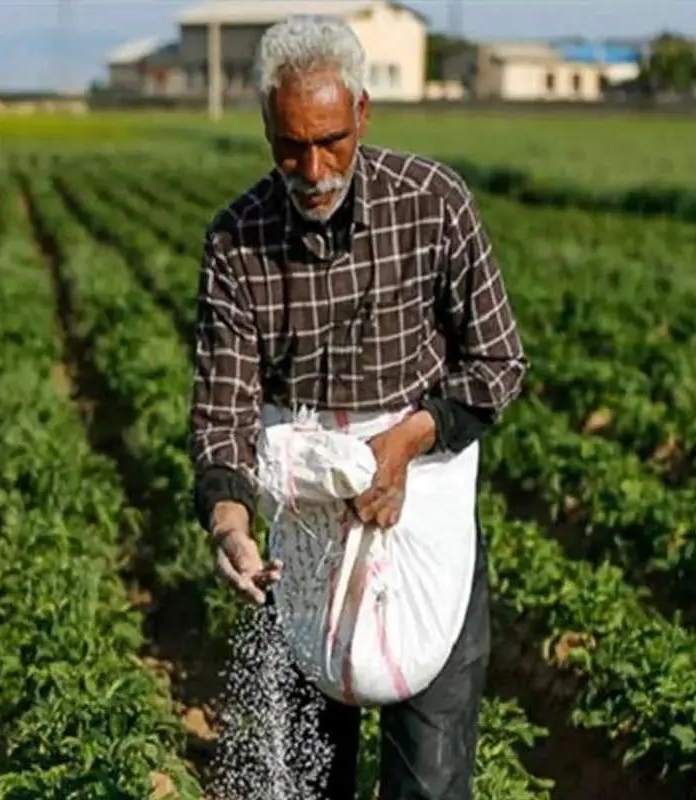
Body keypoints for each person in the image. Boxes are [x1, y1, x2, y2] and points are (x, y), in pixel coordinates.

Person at [188, 14, 528, 800]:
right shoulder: (237, 242)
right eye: (290, 146)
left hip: (421, 522)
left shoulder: (432, 204)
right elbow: (223, 411)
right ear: (266, 128)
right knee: (305, 782)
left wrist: (411, 439)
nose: (313, 168)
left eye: (332, 140)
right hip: (305, 537)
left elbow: (499, 364)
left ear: (363, 115)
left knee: (431, 783)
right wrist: (231, 527)